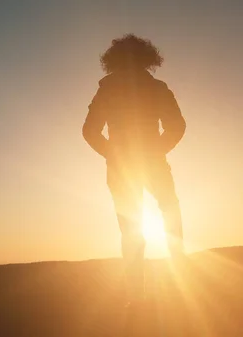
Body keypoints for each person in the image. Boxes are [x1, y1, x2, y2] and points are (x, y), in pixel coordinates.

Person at [82, 34, 186, 304]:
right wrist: (154, 151)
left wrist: (114, 155)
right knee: (164, 212)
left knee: (132, 226)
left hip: (126, 166)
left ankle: (139, 295)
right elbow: (177, 126)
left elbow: (89, 131)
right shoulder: (156, 88)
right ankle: (176, 282)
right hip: (145, 164)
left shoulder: (110, 89)